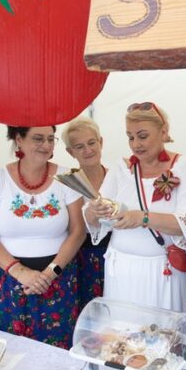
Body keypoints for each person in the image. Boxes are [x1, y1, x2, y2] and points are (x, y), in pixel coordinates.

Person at [84, 102, 186, 312]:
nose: (135, 144)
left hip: (163, 272)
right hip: (122, 271)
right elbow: (93, 220)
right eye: (130, 137)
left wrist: (142, 217)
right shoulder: (121, 168)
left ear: (164, 131)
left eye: (142, 136)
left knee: (162, 335)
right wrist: (95, 211)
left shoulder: (183, 165)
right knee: (123, 335)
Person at [0, 126, 85, 348]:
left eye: (50, 139)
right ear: (19, 140)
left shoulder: (68, 177)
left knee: (58, 349)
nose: (46, 145)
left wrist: (50, 273)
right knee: (12, 350)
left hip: (57, 278)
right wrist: (20, 272)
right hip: (10, 280)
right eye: (37, 139)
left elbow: (78, 231)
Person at [62, 117, 109, 309]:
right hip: (81, 255)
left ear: (101, 142)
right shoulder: (67, 183)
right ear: (70, 152)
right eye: (79, 146)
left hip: (114, 253)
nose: (88, 150)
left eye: (92, 143)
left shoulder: (117, 176)